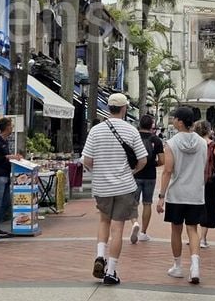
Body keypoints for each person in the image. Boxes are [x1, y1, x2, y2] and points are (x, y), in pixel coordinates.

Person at [82, 93, 148, 286]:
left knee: (104, 221)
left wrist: (100, 170)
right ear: (125, 108)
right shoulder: (131, 130)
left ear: (108, 108)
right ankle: (111, 271)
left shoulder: (96, 131)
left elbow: (87, 160)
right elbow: (143, 160)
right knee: (118, 228)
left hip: (102, 186)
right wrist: (131, 171)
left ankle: (99, 255)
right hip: (125, 186)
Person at [156, 106, 208, 285]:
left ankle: (177, 266)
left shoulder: (171, 143)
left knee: (176, 229)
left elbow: (167, 170)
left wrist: (161, 196)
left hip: (177, 194)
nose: (172, 121)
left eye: (174, 118)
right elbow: (203, 167)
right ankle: (195, 266)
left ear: (180, 121)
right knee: (193, 229)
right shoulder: (202, 143)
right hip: (195, 193)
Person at [130, 114, 164, 243]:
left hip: (135, 174)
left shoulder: (133, 138)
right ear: (152, 126)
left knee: (133, 203)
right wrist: (152, 164)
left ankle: (134, 223)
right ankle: (143, 232)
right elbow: (162, 160)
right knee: (147, 203)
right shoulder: (156, 140)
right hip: (150, 175)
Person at [193, 120, 215, 248]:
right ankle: (202, 239)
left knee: (195, 206)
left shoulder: (194, 145)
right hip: (211, 180)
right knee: (209, 207)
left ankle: (193, 236)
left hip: (195, 179)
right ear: (209, 130)